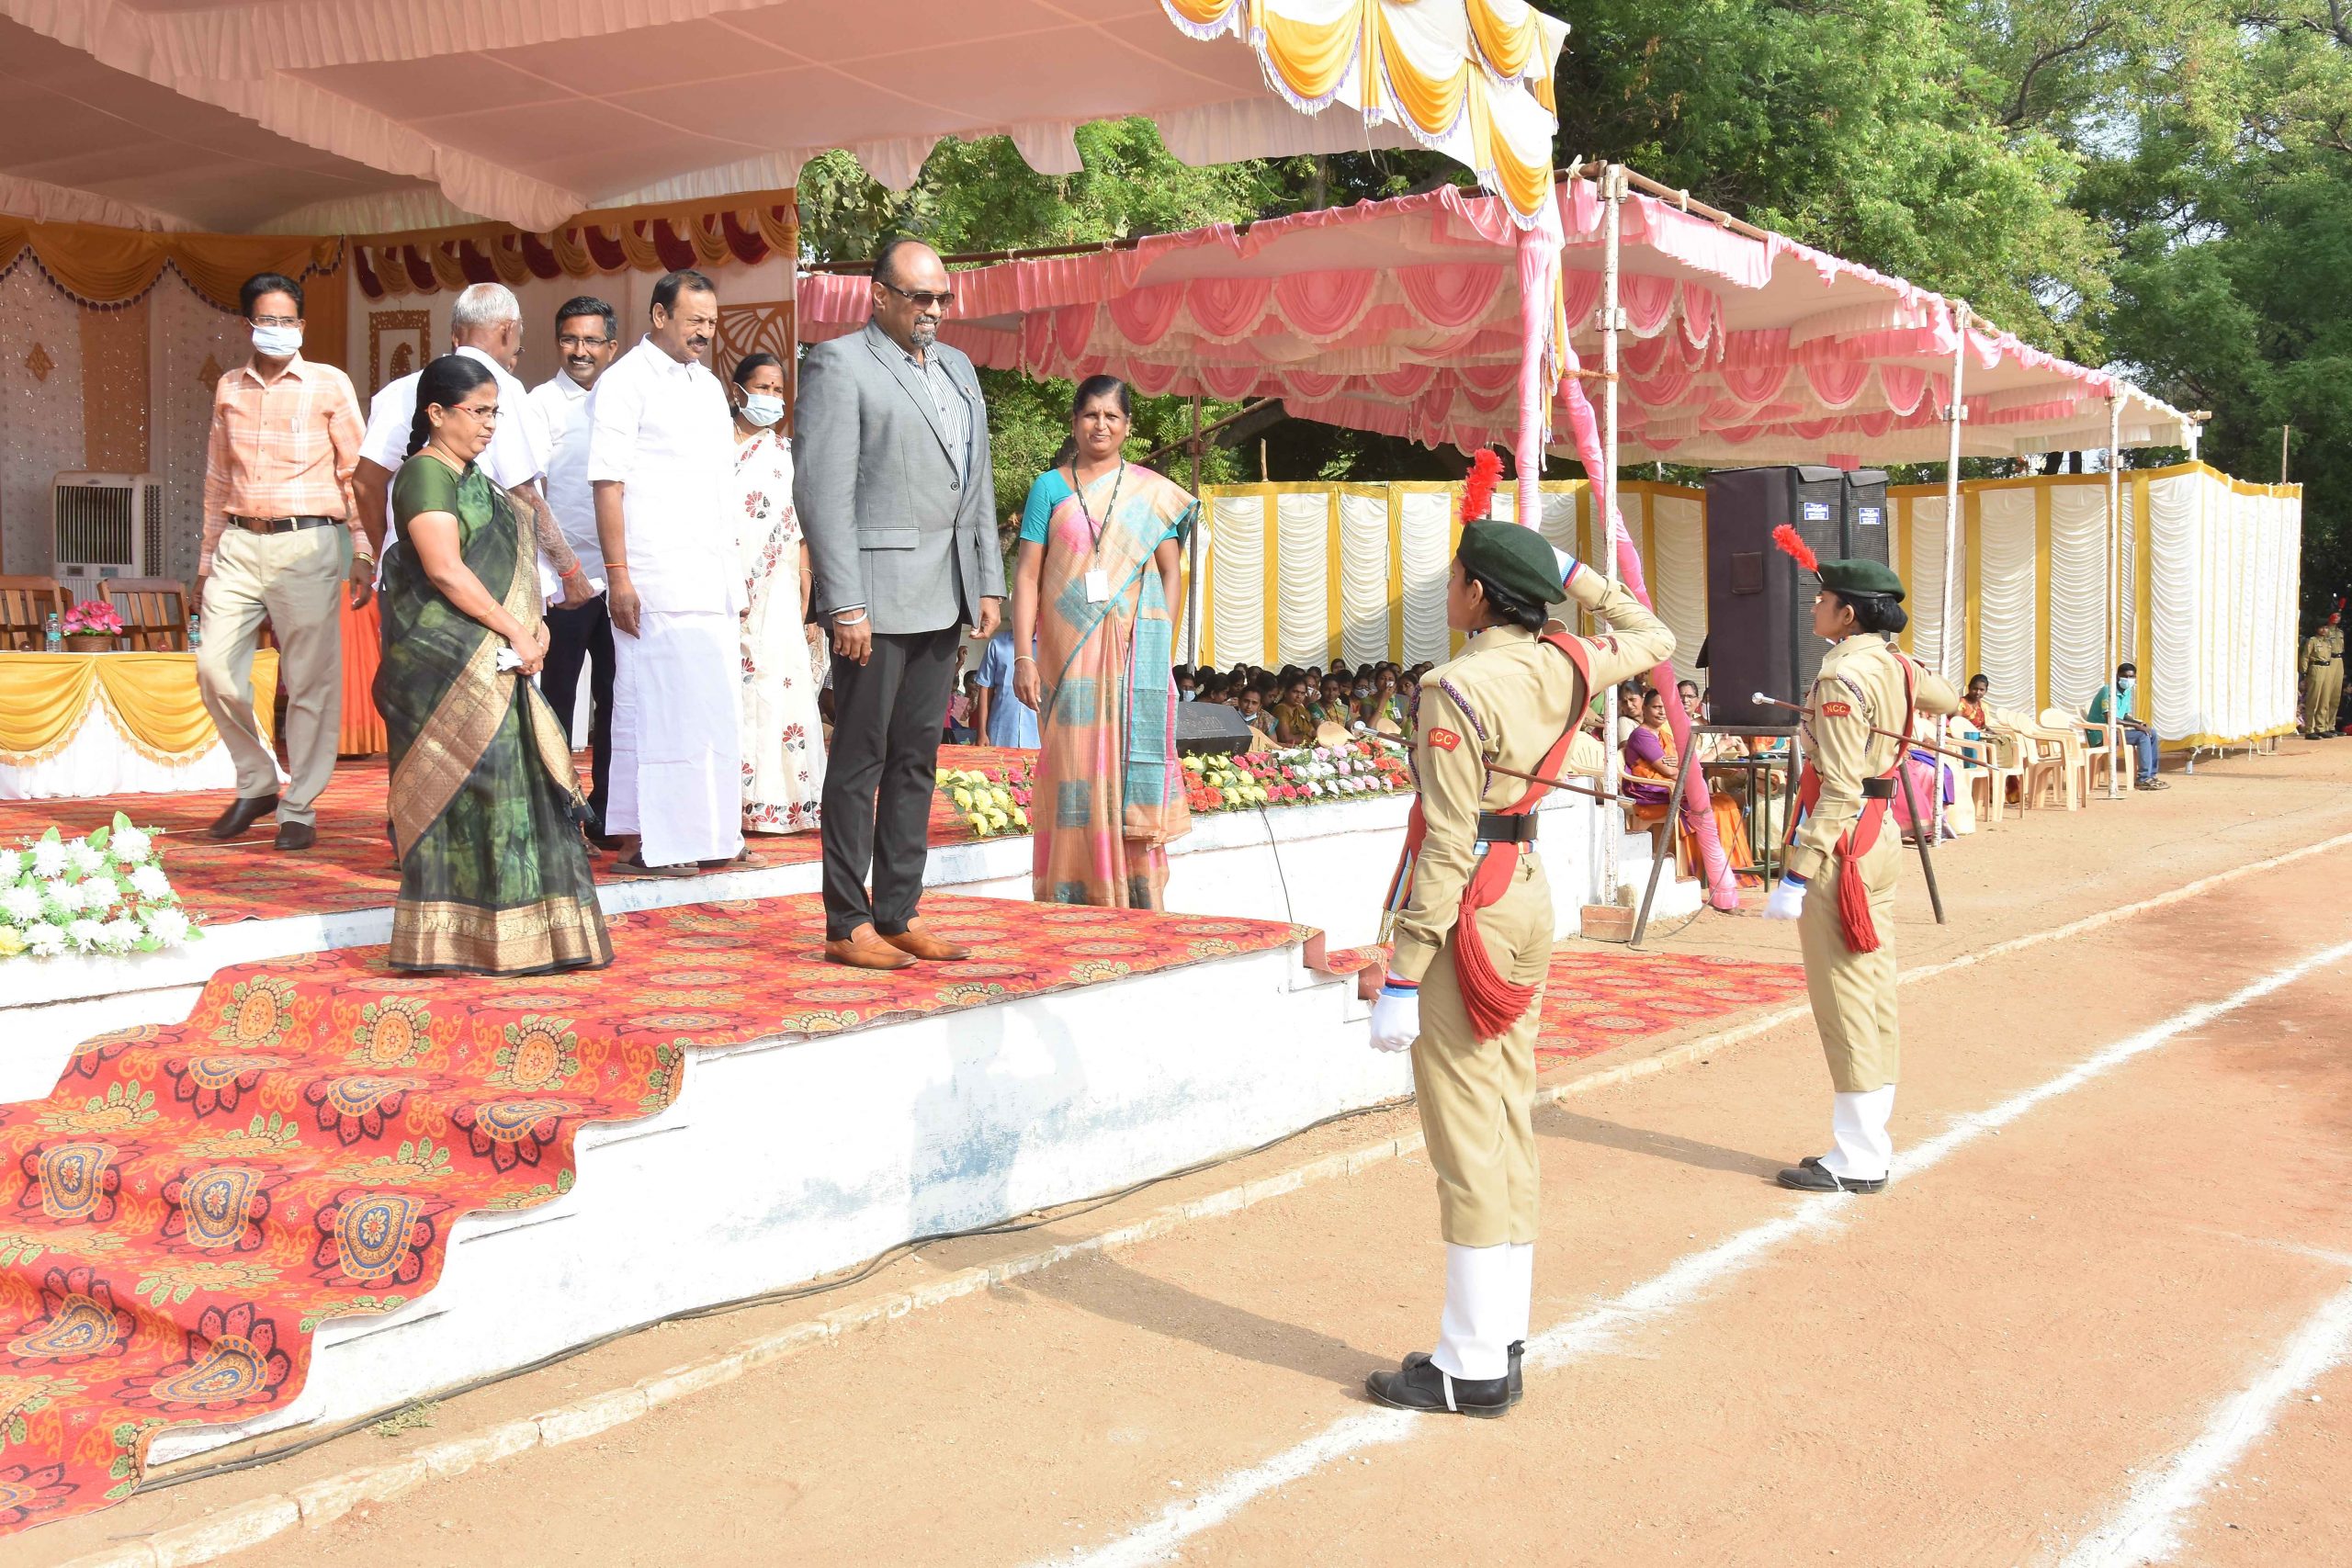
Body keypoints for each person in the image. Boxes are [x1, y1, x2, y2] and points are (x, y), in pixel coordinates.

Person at [1362, 490, 1675, 1420]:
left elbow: (1448, 847)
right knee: (1505, 1113)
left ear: (1477, 592)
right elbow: (1651, 631)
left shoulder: (1452, 687)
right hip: (1527, 888)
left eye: (1456, 575)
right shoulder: (1569, 661)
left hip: (1472, 902)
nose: (1447, 588)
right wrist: (1570, 574)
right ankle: (1498, 1335)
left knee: (1464, 1132)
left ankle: (1468, 1364)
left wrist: (1404, 971)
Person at [797, 238, 1004, 968]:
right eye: (919, 296)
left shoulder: (958, 368)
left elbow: (976, 485)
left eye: (942, 297)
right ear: (877, 295)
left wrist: (987, 580)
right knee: (859, 758)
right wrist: (843, 601)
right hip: (875, 599)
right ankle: (845, 921)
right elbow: (822, 491)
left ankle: (899, 910)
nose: (933, 311)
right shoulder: (839, 362)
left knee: (918, 757)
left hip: (945, 593)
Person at [375, 355, 611, 975]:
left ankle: (531, 933)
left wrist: (533, 626)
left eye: (493, 412)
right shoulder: (427, 477)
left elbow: (508, 568)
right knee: (476, 787)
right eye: (478, 412)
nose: (488, 425)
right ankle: (454, 938)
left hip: (500, 650)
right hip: (447, 660)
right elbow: (445, 569)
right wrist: (516, 629)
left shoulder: (475, 477)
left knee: (515, 785)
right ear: (436, 413)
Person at [1758, 540, 1960, 1194]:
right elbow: (1950, 698)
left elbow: (1839, 787)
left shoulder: (1843, 677)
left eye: (1823, 600)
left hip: (1842, 845)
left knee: (1843, 997)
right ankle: (1869, 1136)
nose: (1814, 606)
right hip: (1879, 839)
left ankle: (1860, 1152)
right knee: (1871, 988)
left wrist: (1795, 872)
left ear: (1848, 614)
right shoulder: (1894, 665)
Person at [1009, 376, 1196, 908]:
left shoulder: (1149, 493)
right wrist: (1023, 652)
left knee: (1126, 767)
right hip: (1066, 658)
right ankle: (1073, 892)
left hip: (1133, 658)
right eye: (1091, 415)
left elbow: (1170, 572)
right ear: (1074, 422)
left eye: (1112, 417)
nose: (1101, 425)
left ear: (1128, 427)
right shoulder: (1050, 487)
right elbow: (1027, 575)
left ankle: (1135, 894)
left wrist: (1160, 648)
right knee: (1071, 767)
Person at [196, 271, 368, 852]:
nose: (278, 330)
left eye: (288, 321)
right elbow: (218, 479)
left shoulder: (329, 385)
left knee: (310, 681)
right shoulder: (229, 388)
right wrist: (204, 560)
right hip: (239, 543)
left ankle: (299, 806)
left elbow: (356, 475)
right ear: (249, 325)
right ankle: (258, 781)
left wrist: (365, 551)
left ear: (302, 325)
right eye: (267, 321)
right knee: (214, 668)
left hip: (309, 543)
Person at [590, 269, 746, 874]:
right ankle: (645, 841)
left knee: (709, 710)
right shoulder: (625, 382)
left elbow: (717, 488)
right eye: (693, 321)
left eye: (710, 322)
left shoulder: (708, 387)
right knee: (649, 710)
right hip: (652, 577)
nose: (705, 332)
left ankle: (708, 834)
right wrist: (618, 574)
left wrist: (733, 576)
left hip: (708, 577)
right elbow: (608, 482)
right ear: (659, 316)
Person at [355, 284, 591, 617]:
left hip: (409, 582)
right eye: (480, 413)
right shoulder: (502, 390)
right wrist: (568, 570)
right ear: (509, 329)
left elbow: (365, 483)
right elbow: (524, 494)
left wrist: (388, 546)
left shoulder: (399, 390)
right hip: (483, 584)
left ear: (455, 335)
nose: (488, 423)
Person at [529, 296, 623, 840]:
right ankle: (559, 817)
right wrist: (561, 571)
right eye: (570, 339)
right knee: (556, 703)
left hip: (621, 583)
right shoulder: (541, 404)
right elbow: (532, 492)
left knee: (617, 703)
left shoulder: (628, 399)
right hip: (563, 583)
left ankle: (610, 812)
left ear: (611, 346)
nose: (580, 350)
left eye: (591, 341)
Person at [728, 351, 825, 835]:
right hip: (723, 586)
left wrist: (806, 575)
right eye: (761, 387)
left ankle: (775, 800)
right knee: (729, 686)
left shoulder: (785, 454)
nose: (770, 397)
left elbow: (800, 525)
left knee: (777, 683)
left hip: (778, 586)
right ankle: (727, 800)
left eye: (777, 389)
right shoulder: (712, 449)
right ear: (737, 391)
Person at [2086, 660, 2165, 790]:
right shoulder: (2108, 691)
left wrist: (2136, 722)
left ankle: (2152, 775)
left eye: (2131, 677)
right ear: (2117, 676)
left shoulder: (2126, 691)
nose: (2128, 679)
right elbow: (2110, 718)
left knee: (2152, 732)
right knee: (2142, 736)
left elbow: (2123, 715)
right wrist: (2136, 727)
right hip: (2101, 735)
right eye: (2125, 676)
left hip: (2114, 732)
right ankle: (2143, 778)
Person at [970, 626, 1041, 749]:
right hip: (1001, 731)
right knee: (998, 767)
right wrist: (981, 732)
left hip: (1037, 734)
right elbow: (986, 689)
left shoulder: (1048, 645)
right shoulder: (997, 644)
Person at [2301, 613, 2341, 739]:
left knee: (2324, 699)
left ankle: (2321, 727)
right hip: (2316, 668)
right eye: (2322, 628)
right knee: (2314, 699)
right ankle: (2309, 729)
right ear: (2317, 629)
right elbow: (2305, 657)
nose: (2324, 630)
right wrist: (2304, 672)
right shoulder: (2312, 641)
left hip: (2327, 668)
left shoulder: (2327, 642)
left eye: (2326, 628)